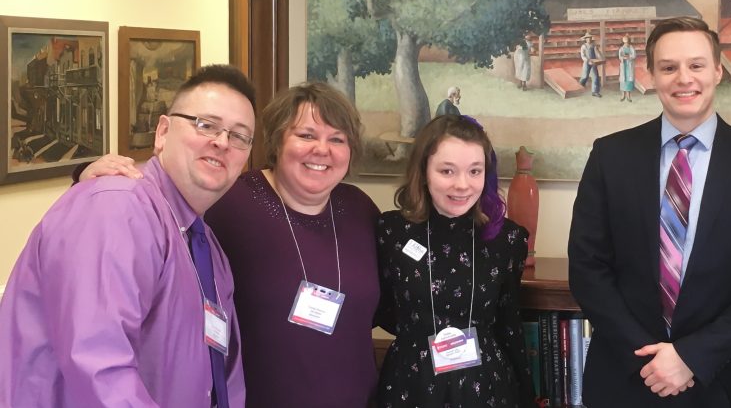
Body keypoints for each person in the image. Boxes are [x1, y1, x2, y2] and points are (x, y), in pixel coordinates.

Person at [76, 82, 382, 407]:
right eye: (306, 135)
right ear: (278, 139)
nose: (322, 150)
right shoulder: (230, 199)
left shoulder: (360, 210)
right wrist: (90, 174)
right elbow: (161, 198)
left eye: (337, 139)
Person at [568, 17, 731, 407]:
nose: (683, 78)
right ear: (651, 75)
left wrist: (692, 356)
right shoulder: (610, 156)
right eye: (669, 67)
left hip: (724, 381)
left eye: (696, 65)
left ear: (717, 72)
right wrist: (651, 358)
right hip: (627, 376)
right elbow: (588, 267)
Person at [0, 64, 255, 407]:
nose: (221, 142)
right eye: (205, 124)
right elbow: (99, 368)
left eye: (239, 136)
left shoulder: (205, 244)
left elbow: (221, 363)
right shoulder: (116, 209)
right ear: (162, 132)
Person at [375, 115, 536, 407]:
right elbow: (380, 308)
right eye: (447, 171)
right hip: (412, 384)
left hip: (485, 386)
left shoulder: (507, 240)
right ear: (424, 171)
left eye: (475, 171)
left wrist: (526, 396)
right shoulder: (391, 232)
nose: (462, 185)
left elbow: (509, 325)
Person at [579, 32, 603, 97]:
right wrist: (587, 60)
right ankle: (579, 87)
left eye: (590, 38)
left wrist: (601, 58)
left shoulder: (593, 45)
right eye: (587, 38)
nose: (589, 39)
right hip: (586, 62)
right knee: (585, 76)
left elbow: (597, 53)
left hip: (593, 62)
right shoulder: (583, 46)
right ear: (586, 39)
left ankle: (595, 91)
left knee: (595, 76)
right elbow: (583, 55)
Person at [618, 34, 637, 102]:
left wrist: (629, 57)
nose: (627, 43)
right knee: (623, 79)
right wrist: (623, 57)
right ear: (624, 42)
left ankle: (628, 96)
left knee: (629, 80)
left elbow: (634, 55)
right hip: (624, 65)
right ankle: (623, 95)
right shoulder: (621, 48)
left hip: (629, 65)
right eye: (625, 42)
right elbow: (620, 56)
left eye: (627, 42)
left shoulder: (631, 47)